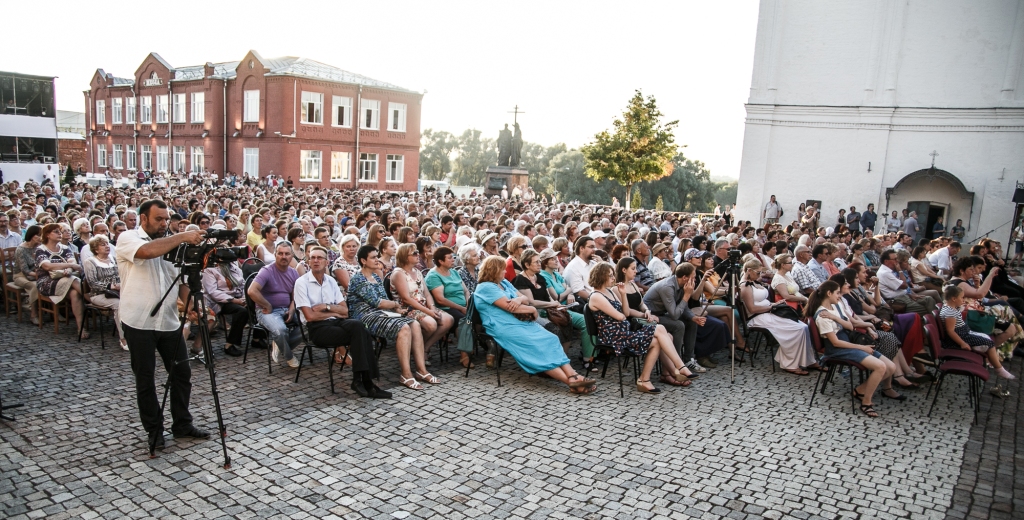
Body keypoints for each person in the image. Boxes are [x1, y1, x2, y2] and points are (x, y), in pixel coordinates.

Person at [115, 199, 210, 453]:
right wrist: (181, 236)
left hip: (168, 320)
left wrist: (190, 303)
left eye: (167, 219)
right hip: (139, 320)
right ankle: (154, 429)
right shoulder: (127, 237)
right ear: (143, 218)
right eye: (159, 219)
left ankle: (182, 423)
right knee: (145, 378)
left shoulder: (171, 242)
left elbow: (178, 280)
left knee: (181, 374)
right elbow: (146, 252)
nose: (164, 223)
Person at [473, 256, 596, 394]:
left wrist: (518, 299)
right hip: (501, 326)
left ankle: (573, 375)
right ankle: (571, 382)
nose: (504, 272)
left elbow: (525, 299)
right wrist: (530, 309)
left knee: (551, 339)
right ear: (493, 270)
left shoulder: (504, 283)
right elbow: (512, 308)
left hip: (519, 322)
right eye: (502, 269)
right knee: (537, 346)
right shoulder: (485, 287)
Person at [294, 246, 390, 399]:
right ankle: (366, 382)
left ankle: (362, 381)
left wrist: (327, 307)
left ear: (327, 262)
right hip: (317, 329)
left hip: (337, 322)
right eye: (313, 258)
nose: (316, 261)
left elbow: (346, 311)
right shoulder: (301, 283)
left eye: (320, 258)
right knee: (361, 333)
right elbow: (310, 316)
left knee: (359, 327)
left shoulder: (330, 281)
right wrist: (334, 311)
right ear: (308, 261)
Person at [588, 262, 691, 393]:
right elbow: (621, 317)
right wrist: (631, 314)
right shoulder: (596, 296)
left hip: (624, 332)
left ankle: (645, 379)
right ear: (601, 277)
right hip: (614, 337)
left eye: (613, 275)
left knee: (657, 339)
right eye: (610, 276)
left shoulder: (609, 291)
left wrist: (623, 294)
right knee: (659, 329)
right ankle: (678, 366)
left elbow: (625, 313)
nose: (613, 278)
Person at [347, 245, 435, 390]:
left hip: (382, 313)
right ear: (363, 260)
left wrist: (396, 308)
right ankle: (406, 374)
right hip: (365, 316)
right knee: (404, 327)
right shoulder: (358, 279)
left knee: (414, 324)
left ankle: (421, 370)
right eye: (373, 257)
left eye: (377, 256)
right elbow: (378, 302)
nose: (377, 260)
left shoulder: (375, 276)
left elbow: (382, 300)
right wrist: (395, 304)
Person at [807, 281, 898, 418]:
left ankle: (859, 390)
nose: (839, 296)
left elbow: (850, 326)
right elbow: (835, 343)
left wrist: (834, 317)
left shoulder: (834, 307)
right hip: (838, 349)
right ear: (829, 293)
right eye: (837, 293)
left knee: (891, 367)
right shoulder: (822, 316)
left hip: (847, 343)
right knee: (880, 367)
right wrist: (861, 347)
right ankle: (866, 402)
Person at [738, 259, 818, 375]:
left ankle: (809, 360)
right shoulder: (745, 286)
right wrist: (771, 307)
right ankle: (789, 363)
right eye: (758, 273)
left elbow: (762, 301)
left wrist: (773, 305)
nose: (760, 275)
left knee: (804, 327)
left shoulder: (754, 282)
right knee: (797, 329)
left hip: (767, 312)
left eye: (761, 273)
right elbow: (752, 309)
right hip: (757, 317)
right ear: (749, 271)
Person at [940, 285, 1016, 380]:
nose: (963, 300)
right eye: (962, 297)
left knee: (986, 337)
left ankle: (993, 363)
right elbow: (950, 331)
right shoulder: (950, 312)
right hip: (962, 337)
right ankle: (999, 369)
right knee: (990, 343)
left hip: (964, 332)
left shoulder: (950, 308)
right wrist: (962, 343)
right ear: (954, 299)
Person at [246, 242, 303, 368]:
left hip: (287, 309)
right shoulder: (266, 271)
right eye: (280, 253)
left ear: (292, 255)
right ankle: (288, 356)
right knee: (280, 330)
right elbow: (251, 291)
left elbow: (295, 298)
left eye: (287, 254)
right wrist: (267, 305)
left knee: (310, 324)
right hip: (267, 311)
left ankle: (279, 343)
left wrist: (292, 309)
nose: (283, 256)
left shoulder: (294, 273)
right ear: (275, 254)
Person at [35, 223, 87, 335]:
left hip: (66, 278)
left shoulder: (65, 248)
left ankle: (80, 328)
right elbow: (47, 266)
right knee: (74, 280)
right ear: (48, 235)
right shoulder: (41, 249)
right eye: (57, 232)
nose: (60, 234)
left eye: (60, 231)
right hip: (46, 282)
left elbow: (72, 262)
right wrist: (70, 267)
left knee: (75, 294)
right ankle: (92, 299)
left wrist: (69, 269)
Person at [82, 234, 127, 350]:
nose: (107, 246)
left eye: (107, 243)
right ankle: (123, 338)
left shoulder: (113, 258)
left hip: (118, 292)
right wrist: (111, 286)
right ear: (96, 249)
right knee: (118, 305)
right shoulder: (90, 262)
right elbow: (92, 283)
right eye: (103, 245)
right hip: (99, 294)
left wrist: (121, 284)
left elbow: (121, 275)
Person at [201, 251, 249, 357]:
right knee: (241, 311)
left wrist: (244, 298)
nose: (230, 263)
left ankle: (257, 338)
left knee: (257, 305)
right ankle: (229, 344)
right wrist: (233, 300)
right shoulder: (209, 271)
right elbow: (213, 292)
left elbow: (243, 284)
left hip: (237, 297)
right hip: (220, 301)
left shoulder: (234, 268)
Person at [11, 224, 41, 325]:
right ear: (32, 236)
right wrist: (37, 276)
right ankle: (33, 314)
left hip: (36, 273)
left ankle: (55, 311)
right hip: (20, 275)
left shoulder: (39, 248)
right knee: (35, 286)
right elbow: (24, 270)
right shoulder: (21, 249)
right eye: (39, 235)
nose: (41, 238)